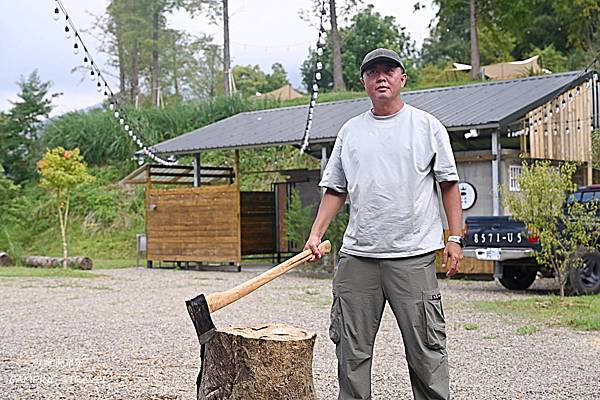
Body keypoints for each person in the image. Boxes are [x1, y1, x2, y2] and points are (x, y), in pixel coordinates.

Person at [304, 48, 464, 400]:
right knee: (351, 352)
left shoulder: (426, 127)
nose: (380, 77)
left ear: (402, 78)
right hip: (358, 257)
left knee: (426, 352)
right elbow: (336, 189)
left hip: (413, 256)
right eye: (372, 72)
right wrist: (315, 234)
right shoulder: (351, 131)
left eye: (388, 71)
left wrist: (454, 237)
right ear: (363, 82)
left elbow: (449, 184)